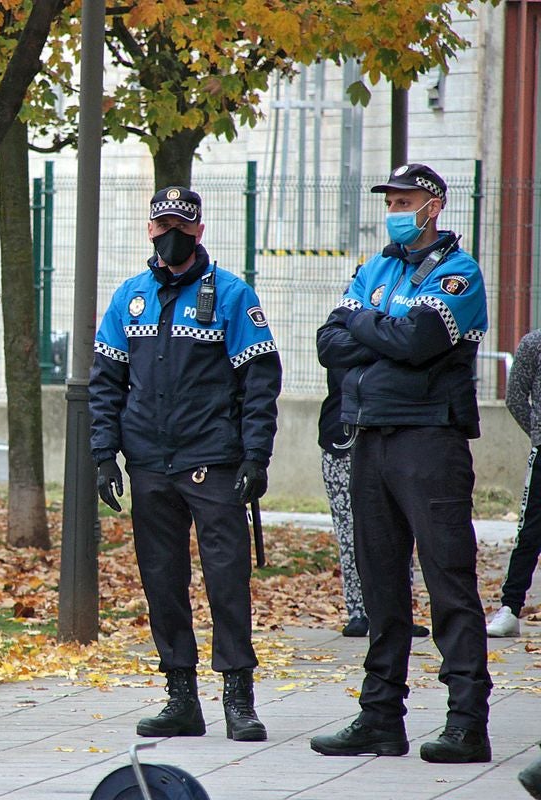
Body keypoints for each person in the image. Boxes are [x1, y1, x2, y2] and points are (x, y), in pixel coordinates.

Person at [311, 163, 492, 763]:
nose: (395, 206)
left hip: (430, 441)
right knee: (381, 588)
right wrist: (381, 331)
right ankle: (380, 717)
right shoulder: (378, 266)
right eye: (389, 198)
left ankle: (467, 721)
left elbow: (418, 342)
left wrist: (368, 327)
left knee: (449, 584)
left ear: (434, 205)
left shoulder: (460, 273)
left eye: (405, 197)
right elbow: (327, 343)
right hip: (370, 438)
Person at [89, 187, 281, 743]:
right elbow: (105, 384)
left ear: (198, 231)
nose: (169, 232)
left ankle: (238, 699)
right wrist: (104, 456)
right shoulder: (129, 297)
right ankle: (181, 698)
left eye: (180, 223)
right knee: (162, 583)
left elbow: (260, 382)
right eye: (161, 223)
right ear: (149, 230)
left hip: (213, 464)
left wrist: (255, 456)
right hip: (149, 464)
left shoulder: (231, 295)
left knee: (227, 582)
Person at [320, 367, 430, 640]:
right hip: (343, 441)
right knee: (349, 530)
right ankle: (358, 611)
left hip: (394, 435)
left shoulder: (395, 326)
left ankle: (400, 610)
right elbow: (343, 369)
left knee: (399, 528)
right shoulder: (343, 327)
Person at [487, 328, 541, 637]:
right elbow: (515, 398)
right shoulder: (533, 344)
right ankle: (510, 608)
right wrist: (538, 433)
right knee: (530, 532)